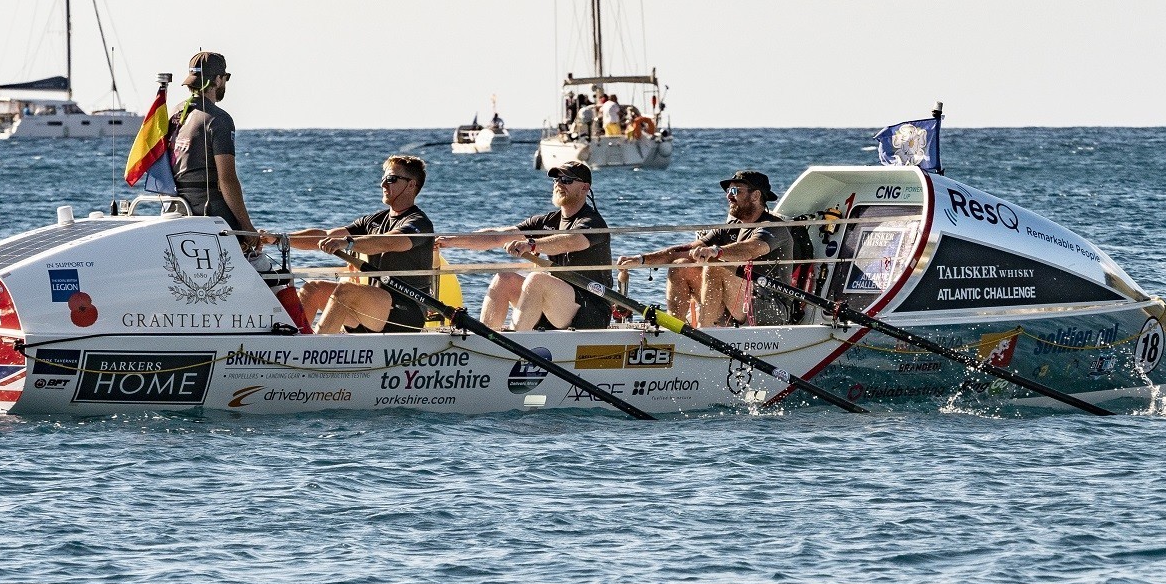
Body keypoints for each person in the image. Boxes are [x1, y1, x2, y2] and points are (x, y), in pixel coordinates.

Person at [436, 162, 611, 332]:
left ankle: (513, 345)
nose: (559, 184)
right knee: (504, 279)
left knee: (536, 280)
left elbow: (571, 241)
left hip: (591, 309)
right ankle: (484, 340)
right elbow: (498, 236)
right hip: (557, 304)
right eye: (556, 179)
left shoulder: (592, 221)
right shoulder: (546, 221)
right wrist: (449, 241)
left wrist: (532, 245)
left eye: (567, 180)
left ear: (585, 188)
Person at [618, 169, 795, 327]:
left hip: (770, 308)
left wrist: (716, 251)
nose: (728, 196)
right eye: (728, 191)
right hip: (735, 303)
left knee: (715, 265)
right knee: (681, 265)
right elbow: (685, 249)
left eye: (735, 191)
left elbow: (752, 249)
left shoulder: (773, 227)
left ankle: (704, 331)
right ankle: (675, 330)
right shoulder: (731, 227)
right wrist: (642, 259)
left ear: (755, 196)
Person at [289, 155, 434, 334]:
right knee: (313, 288)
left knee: (346, 291)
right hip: (374, 309)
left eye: (391, 179)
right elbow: (326, 235)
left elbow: (389, 241)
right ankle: (295, 345)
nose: (383, 185)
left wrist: (346, 243)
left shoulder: (419, 222)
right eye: (383, 179)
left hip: (407, 311)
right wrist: (280, 239)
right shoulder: (372, 220)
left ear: (411, 185)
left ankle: (316, 352)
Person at [170, 51, 260, 247]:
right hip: (209, 210)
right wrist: (246, 227)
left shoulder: (176, 113)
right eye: (225, 78)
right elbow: (227, 180)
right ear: (218, 79)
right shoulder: (218, 119)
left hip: (177, 209)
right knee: (256, 259)